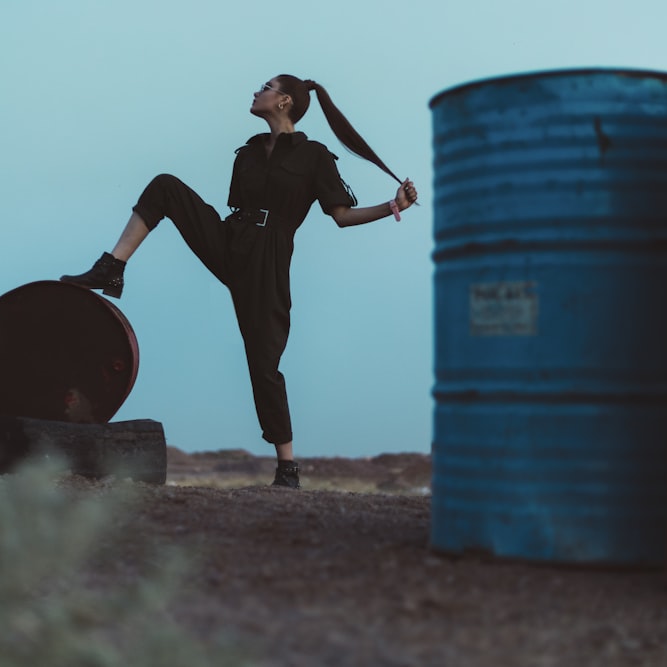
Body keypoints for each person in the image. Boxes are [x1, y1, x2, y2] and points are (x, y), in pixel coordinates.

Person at [60, 75, 418, 489]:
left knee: (263, 363)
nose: (255, 92)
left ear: (284, 101)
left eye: (264, 87)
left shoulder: (314, 157)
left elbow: (340, 216)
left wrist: (394, 205)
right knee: (165, 186)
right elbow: (236, 205)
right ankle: (112, 266)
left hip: (269, 257)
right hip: (231, 239)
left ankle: (287, 467)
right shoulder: (247, 153)